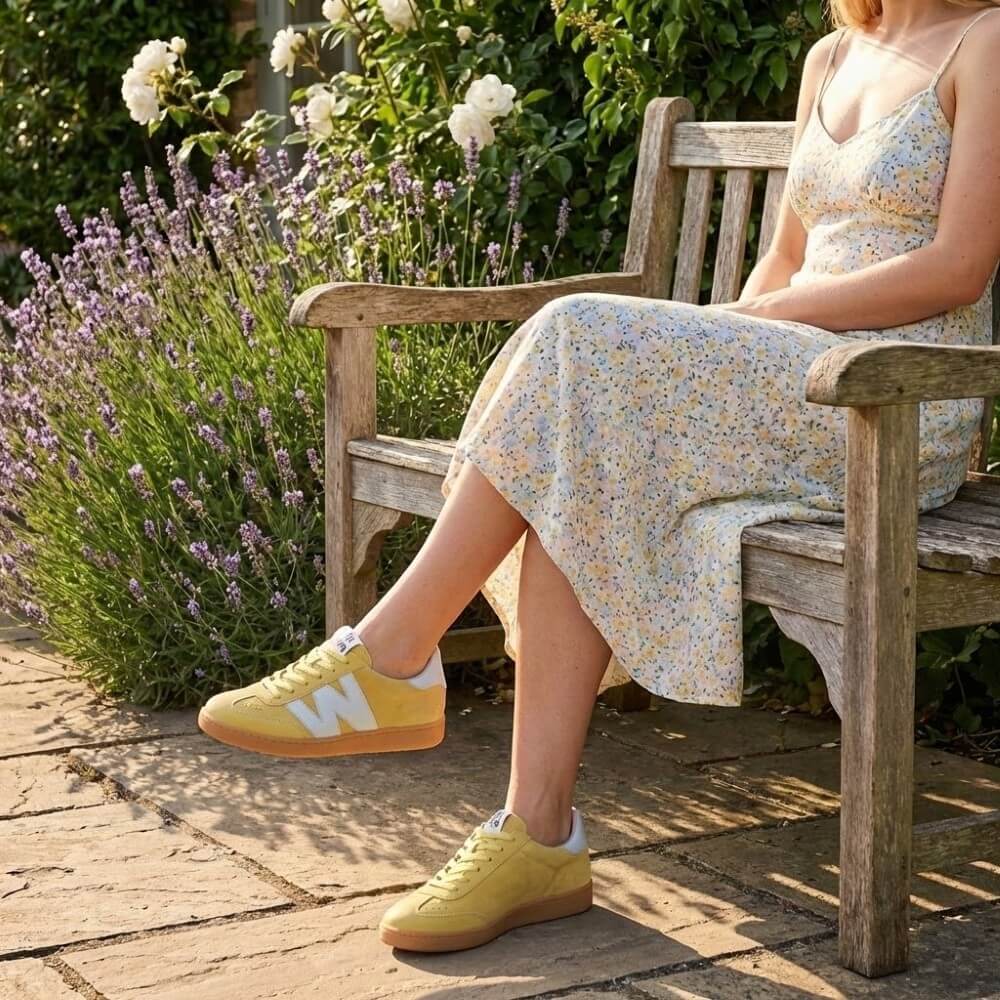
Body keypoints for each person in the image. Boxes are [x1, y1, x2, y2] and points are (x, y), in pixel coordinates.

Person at [197, 0, 1000, 954]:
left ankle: (395, 655)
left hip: (896, 398)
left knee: (579, 335)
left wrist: (756, 325)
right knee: (578, 453)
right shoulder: (833, 54)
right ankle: (535, 835)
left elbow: (957, 268)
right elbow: (784, 256)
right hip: (788, 376)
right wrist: (728, 336)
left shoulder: (986, 41)